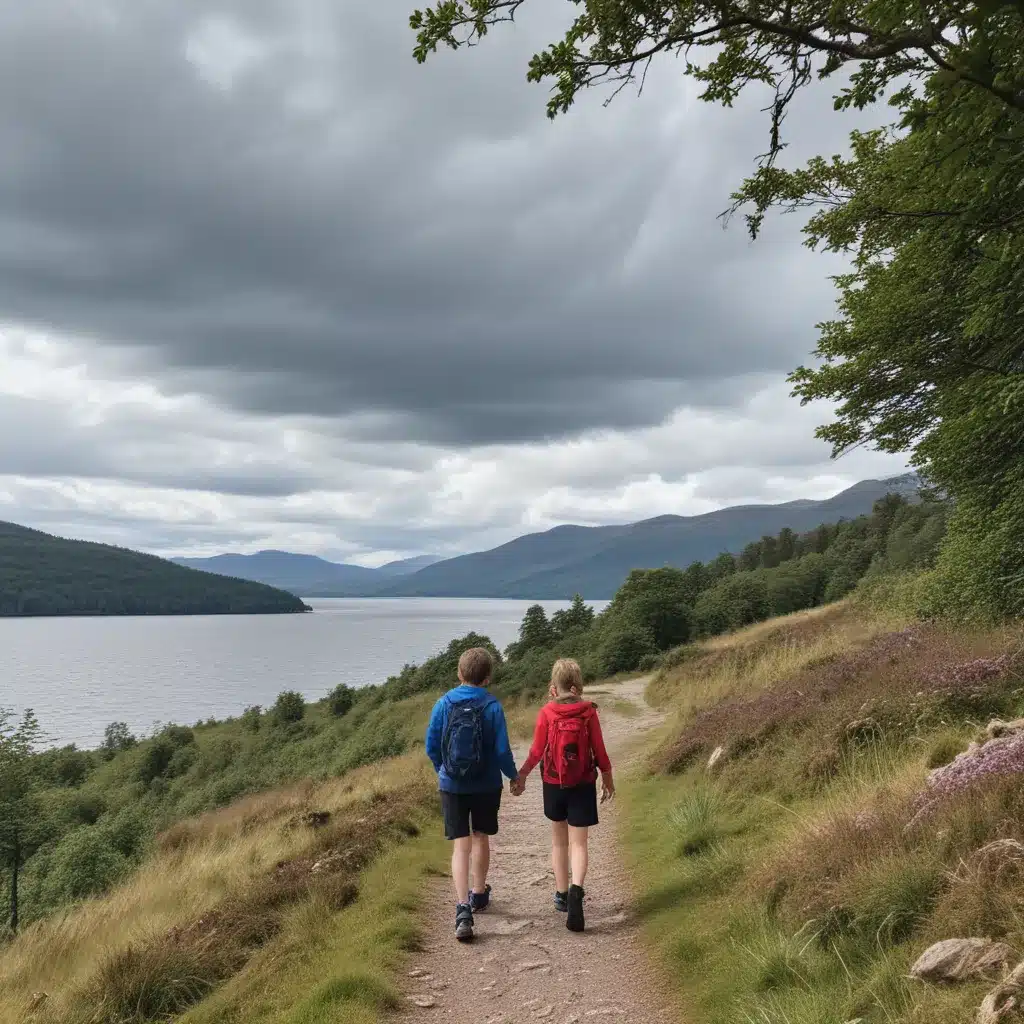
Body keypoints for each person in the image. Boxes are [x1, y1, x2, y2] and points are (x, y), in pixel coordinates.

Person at [512, 657, 614, 933]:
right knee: (579, 843)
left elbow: (536, 750)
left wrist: (521, 776)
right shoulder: (588, 712)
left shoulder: (547, 712)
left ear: (553, 687)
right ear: (578, 686)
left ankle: (561, 895)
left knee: (559, 842)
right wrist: (607, 776)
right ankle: (576, 890)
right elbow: (599, 749)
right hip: (582, 782)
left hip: (553, 782)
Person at [425, 646, 519, 942]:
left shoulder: (443, 703)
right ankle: (479, 893)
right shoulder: (492, 706)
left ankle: (463, 908)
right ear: (488, 677)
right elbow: (502, 751)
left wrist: (445, 771)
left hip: (452, 786)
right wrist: (514, 777)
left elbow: (431, 745)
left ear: (459, 672)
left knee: (460, 846)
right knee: (481, 837)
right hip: (486, 784)